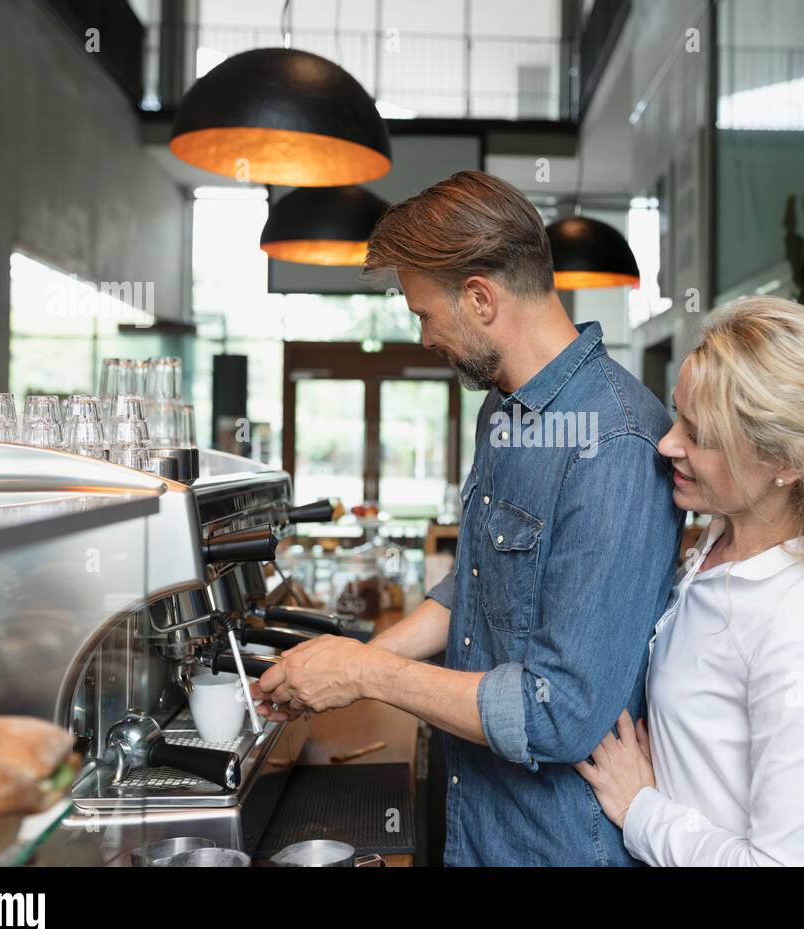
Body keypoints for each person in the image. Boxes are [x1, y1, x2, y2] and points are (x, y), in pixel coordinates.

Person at [252, 170, 684, 866]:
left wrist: (366, 674)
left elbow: (560, 712)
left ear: (480, 298)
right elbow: (477, 588)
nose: (423, 336)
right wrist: (340, 667)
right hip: (479, 824)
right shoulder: (504, 411)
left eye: (423, 313)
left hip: (559, 848)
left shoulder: (616, 445)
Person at [574, 296, 804, 866]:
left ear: (790, 462)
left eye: (701, 435)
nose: (667, 444)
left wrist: (641, 808)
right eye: (676, 414)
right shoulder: (712, 549)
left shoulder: (798, 629)